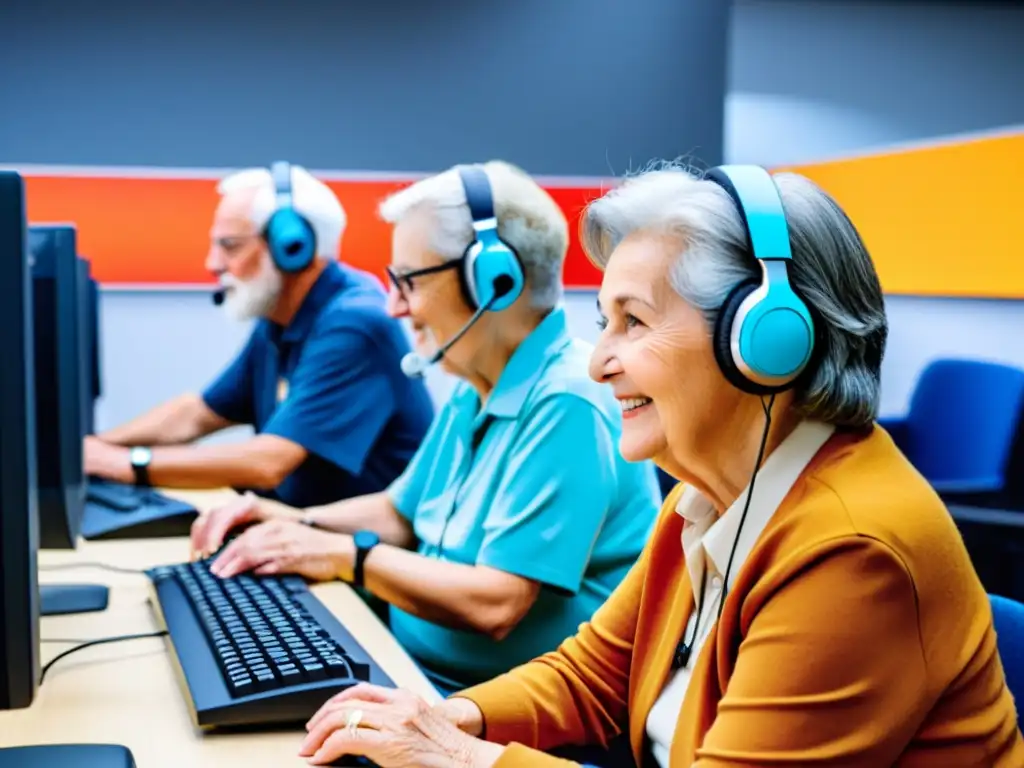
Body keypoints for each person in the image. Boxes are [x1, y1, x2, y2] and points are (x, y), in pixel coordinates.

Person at [294, 162, 1024, 767]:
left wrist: (458, 757)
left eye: (633, 322)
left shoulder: (852, 550)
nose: (601, 360)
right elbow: (596, 674)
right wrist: (445, 714)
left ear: (766, 341)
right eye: (603, 322)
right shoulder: (708, 499)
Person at [190, 160, 662, 696]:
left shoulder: (568, 400)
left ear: (494, 282)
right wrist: (291, 523)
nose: (394, 306)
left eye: (408, 282)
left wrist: (344, 556)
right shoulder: (477, 382)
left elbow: (497, 602)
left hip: (488, 708)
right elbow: (397, 512)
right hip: (413, 669)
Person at [84, 162, 434, 508]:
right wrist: (93, 447)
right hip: (304, 538)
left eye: (230, 246)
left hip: (365, 548)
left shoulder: (355, 323)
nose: (213, 263)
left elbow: (268, 463)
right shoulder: (278, 318)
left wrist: (127, 463)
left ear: (292, 249)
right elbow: (197, 414)